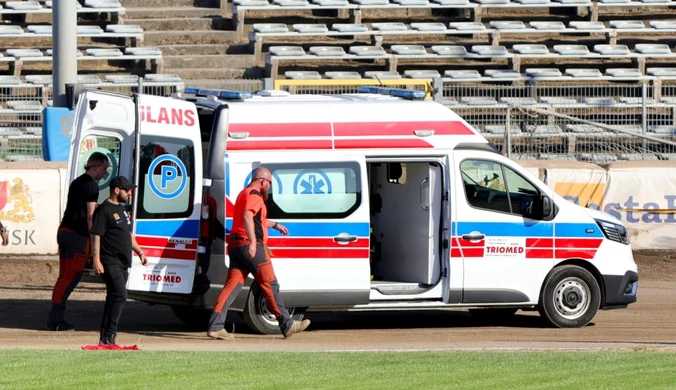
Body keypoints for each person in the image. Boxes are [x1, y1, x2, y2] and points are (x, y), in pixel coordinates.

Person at [207, 167, 310, 340]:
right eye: (269, 183)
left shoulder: (244, 193)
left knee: (232, 287)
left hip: (236, 245)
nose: (269, 187)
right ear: (263, 181)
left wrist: (275, 225)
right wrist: (254, 243)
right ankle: (287, 323)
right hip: (249, 246)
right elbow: (248, 216)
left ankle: (215, 326)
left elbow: (256, 219)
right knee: (270, 284)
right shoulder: (255, 195)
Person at [47, 152, 109, 331]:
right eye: (104, 168)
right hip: (77, 237)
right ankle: (55, 320)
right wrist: (94, 239)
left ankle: (55, 317)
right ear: (96, 167)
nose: (104, 173)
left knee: (63, 277)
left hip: (64, 231)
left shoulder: (77, 182)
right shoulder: (91, 186)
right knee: (70, 278)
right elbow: (90, 216)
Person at [90, 176, 147, 345]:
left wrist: (140, 252)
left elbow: (128, 235)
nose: (129, 193)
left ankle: (105, 338)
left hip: (123, 262)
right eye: (126, 190)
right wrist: (96, 260)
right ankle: (110, 334)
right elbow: (96, 236)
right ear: (116, 190)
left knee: (113, 297)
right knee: (121, 296)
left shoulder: (122, 210)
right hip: (109, 260)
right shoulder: (104, 210)